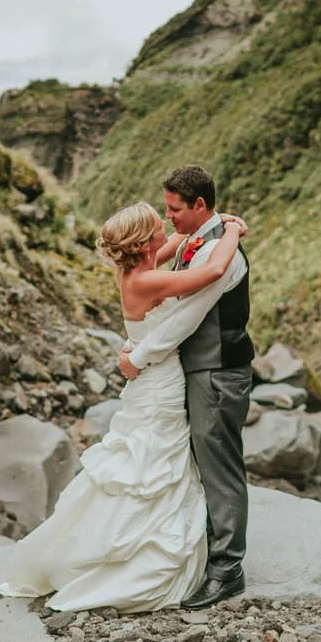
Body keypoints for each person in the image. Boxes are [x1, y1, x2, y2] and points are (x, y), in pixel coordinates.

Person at [0, 200, 246, 613]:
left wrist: (203, 227)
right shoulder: (146, 281)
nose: (166, 224)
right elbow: (212, 272)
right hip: (161, 383)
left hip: (150, 380)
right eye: (157, 224)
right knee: (153, 463)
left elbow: (180, 242)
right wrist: (233, 231)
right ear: (145, 241)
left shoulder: (137, 268)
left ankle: (117, 541)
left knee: (146, 462)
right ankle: (134, 555)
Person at [118, 165, 254, 611]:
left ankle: (227, 569)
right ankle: (204, 552)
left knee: (219, 464)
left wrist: (138, 357)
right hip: (199, 369)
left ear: (199, 205)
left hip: (217, 371)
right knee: (197, 461)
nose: (168, 217)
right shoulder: (199, 240)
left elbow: (185, 318)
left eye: (175, 209)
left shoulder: (223, 254)